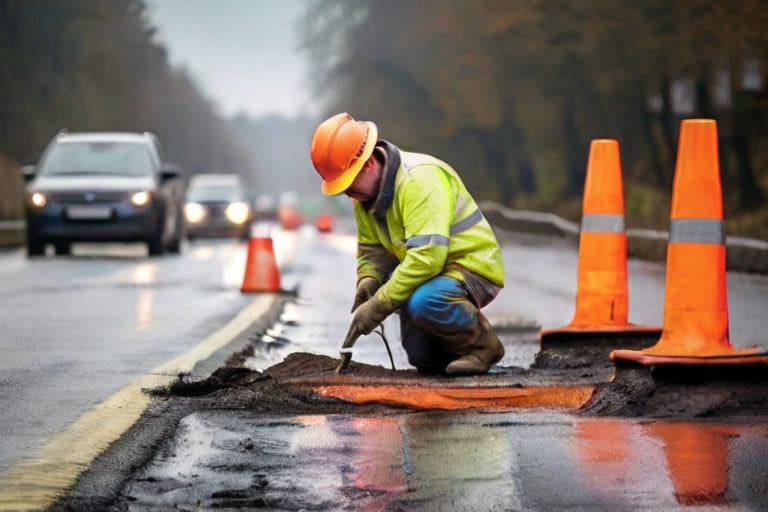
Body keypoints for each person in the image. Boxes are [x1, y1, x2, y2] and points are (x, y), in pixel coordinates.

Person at [309, 112, 505, 375]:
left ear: (367, 164)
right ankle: (455, 353)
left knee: (423, 302)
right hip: (432, 274)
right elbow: (372, 251)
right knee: (422, 357)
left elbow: (427, 257)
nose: (346, 192)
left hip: (471, 267)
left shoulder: (420, 181)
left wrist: (379, 305)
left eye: (348, 182)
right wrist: (368, 279)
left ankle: (483, 348)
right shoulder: (363, 199)